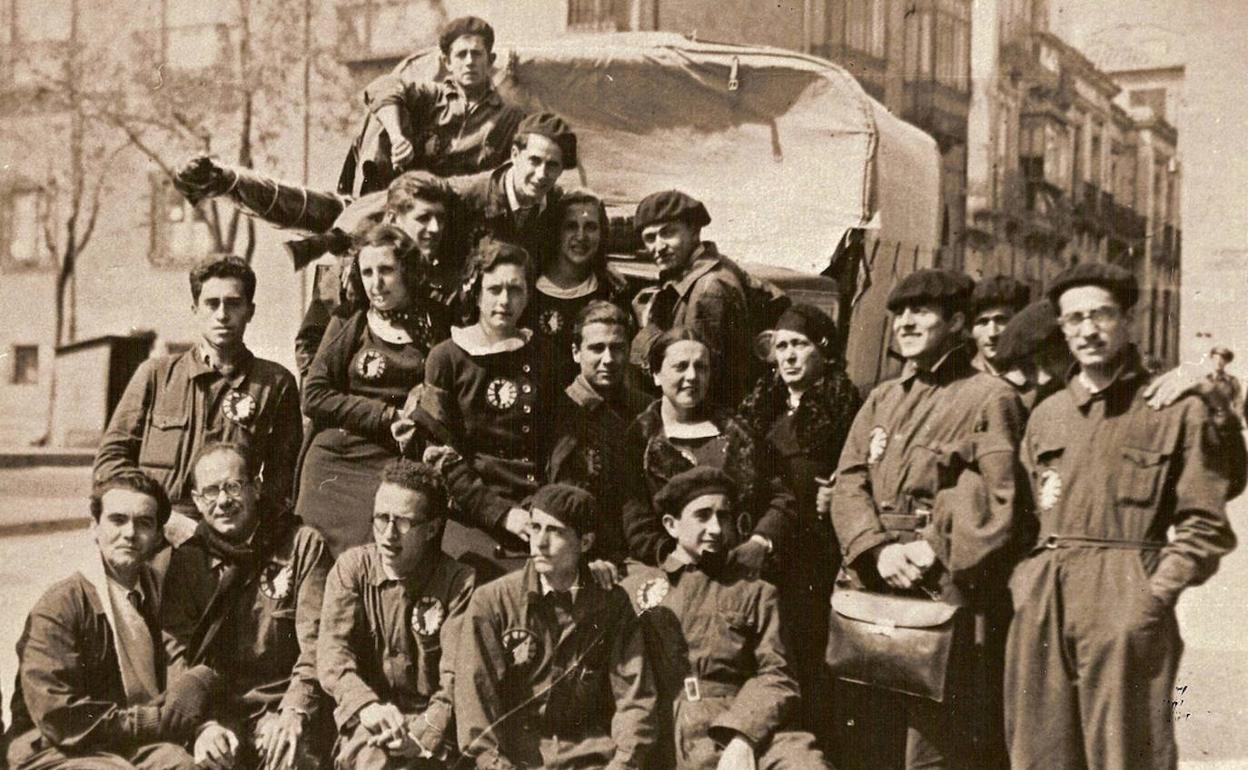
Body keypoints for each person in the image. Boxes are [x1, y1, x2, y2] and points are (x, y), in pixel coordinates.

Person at [1005, 263, 1242, 770]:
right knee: (1038, 753)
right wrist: (1024, 584)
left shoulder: (1174, 407)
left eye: (1101, 315)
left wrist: (1150, 597)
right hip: (1045, 593)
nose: (1088, 330)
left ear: (1128, 320)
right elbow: (1027, 512)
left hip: (1124, 594)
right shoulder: (1048, 414)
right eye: (1074, 320)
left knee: (1125, 755)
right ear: (1062, 329)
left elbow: (1206, 524)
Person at [829, 269, 1026, 769]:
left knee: (933, 745)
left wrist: (927, 550)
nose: (906, 322)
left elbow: (1000, 498)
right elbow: (849, 481)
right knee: (868, 732)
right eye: (901, 312)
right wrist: (876, 549)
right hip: (875, 580)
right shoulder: (882, 398)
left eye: (923, 311)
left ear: (958, 321)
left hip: (939, 587)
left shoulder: (989, 397)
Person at [620, 467, 831, 770]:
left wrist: (742, 736)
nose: (717, 529)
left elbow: (778, 675)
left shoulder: (755, 591)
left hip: (751, 722)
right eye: (702, 516)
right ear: (671, 525)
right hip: (673, 728)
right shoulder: (637, 588)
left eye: (724, 516)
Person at [6, 472, 218, 770]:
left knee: (184, 765)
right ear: (94, 527)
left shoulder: (157, 596)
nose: (130, 533)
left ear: (158, 535)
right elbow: (59, 717)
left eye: (144, 523)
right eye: (117, 520)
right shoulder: (61, 605)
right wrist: (154, 719)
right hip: (52, 747)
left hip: (123, 744)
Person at [95, 255, 301, 543]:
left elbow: (284, 479)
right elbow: (111, 462)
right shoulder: (155, 375)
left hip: (234, 537)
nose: (222, 314)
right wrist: (165, 518)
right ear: (195, 309)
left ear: (250, 311)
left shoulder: (275, 383)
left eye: (233, 303)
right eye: (211, 303)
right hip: (158, 535)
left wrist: (245, 531)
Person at [455, 483, 658, 770]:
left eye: (555, 531)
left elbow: (634, 701)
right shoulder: (493, 602)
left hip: (591, 758)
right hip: (516, 758)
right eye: (535, 528)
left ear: (585, 543)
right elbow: (476, 709)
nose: (539, 543)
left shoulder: (612, 605)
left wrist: (623, 765)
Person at [161, 443, 332, 770]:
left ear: (257, 487)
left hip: (280, 704)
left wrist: (294, 711)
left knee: (290, 757)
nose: (223, 501)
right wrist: (202, 726)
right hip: (216, 711)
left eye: (233, 486)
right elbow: (175, 652)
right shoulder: (188, 560)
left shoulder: (301, 544)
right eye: (210, 492)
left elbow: (317, 646)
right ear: (197, 501)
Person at [736, 303, 863, 740]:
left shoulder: (846, 407)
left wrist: (838, 492)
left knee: (812, 657)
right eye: (782, 346)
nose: (788, 356)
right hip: (768, 551)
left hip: (817, 554)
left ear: (823, 352)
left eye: (800, 345)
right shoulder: (762, 407)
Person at [298, 222, 452, 556]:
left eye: (386, 270)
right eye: (367, 272)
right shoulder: (350, 321)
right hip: (337, 461)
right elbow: (314, 395)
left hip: (397, 464)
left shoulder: (435, 323)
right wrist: (385, 416)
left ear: (407, 270)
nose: (376, 284)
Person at [318, 459, 476, 769]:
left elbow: (456, 676)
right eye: (381, 518)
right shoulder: (353, 569)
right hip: (370, 719)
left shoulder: (458, 582)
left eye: (403, 522)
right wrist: (367, 706)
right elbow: (333, 657)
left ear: (431, 528)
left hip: (436, 727)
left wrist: (423, 734)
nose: (389, 534)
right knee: (370, 759)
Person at [418, 238, 559, 580]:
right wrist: (499, 513)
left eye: (515, 289)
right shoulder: (446, 357)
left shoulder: (544, 354)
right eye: (494, 289)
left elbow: (560, 443)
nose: (505, 301)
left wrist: (546, 508)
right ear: (475, 293)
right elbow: (440, 453)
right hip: (471, 513)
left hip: (537, 511)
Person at [621, 328, 795, 574]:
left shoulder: (740, 432)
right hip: (669, 572)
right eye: (681, 366)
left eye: (701, 367)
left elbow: (781, 497)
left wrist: (759, 542)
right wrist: (672, 558)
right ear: (656, 375)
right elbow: (636, 519)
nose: (692, 376)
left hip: (740, 570)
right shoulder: (639, 438)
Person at [295, 171, 465, 379]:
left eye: (440, 218)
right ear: (393, 219)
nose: (435, 228)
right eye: (423, 218)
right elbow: (309, 345)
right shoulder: (353, 272)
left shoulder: (450, 282)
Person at [339, 15, 527, 195]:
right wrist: (398, 139)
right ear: (448, 62)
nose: (470, 62)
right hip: (416, 202)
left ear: (490, 61)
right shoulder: (432, 97)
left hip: (469, 209)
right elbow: (382, 87)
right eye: (462, 54)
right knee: (387, 116)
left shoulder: (509, 116)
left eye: (477, 54)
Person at [546, 301, 651, 566]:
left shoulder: (647, 409)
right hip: (587, 556)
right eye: (596, 348)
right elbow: (561, 497)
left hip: (643, 549)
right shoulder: (558, 412)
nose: (608, 359)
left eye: (617, 348)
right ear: (575, 352)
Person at [628, 190, 753, 409]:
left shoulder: (708, 289)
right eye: (650, 238)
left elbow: (697, 381)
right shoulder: (705, 271)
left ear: (694, 231)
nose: (658, 246)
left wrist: (646, 332)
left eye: (668, 233)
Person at [524, 190, 631, 388]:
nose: (581, 236)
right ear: (556, 231)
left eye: (591, 227)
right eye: (571, 226)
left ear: (602, 233)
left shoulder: (613, 291)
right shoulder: (527, 289)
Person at [447, 112, 576, 261]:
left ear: (561, 170)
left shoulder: (559, 206)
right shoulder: (467, 199)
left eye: (552, 165)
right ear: (515, 155)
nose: (541, 174)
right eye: (534, 160)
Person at [968, 275, 1030, 378]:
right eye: (983, 322)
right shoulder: (960, 381)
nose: (992, 333)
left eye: (1001, 320)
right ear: (971, 330)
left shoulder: (1037, 378)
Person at [1208, 345, 1244, 418]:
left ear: (1226, 362)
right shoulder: (1204, 380)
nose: (1218, 362)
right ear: (1211, 359)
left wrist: (1236, 421)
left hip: (1225, 422)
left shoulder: (1232, 381)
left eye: (1222, 359)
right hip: (1207, 422)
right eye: (1215, 359)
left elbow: (1238, 404)